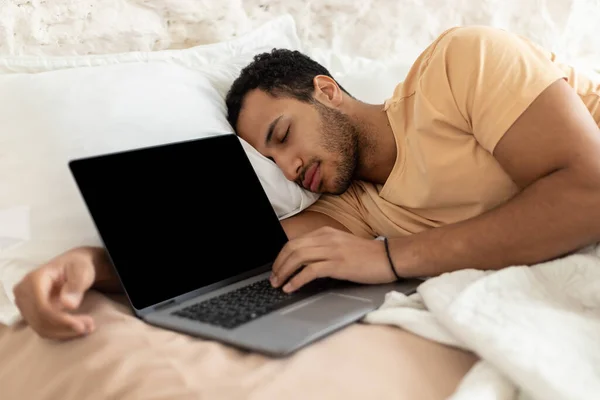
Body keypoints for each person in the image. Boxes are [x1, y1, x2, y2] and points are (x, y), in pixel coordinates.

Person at [13, 25, 600, 340]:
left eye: (284, 133)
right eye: (274, 159)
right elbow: (213, 260)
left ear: (325, 90)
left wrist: (391, 260)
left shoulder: (457, 65)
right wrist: (89, 264)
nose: (291, 165)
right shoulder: (354, 210)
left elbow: (587, 192)